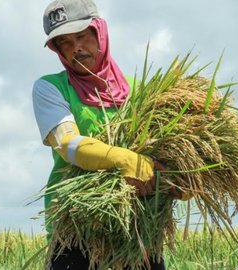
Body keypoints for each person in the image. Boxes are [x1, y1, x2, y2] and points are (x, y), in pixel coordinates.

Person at [32, 0, 167, 269]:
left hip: (138, 232)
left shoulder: (140, 92)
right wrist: (125, 160)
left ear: (99, 33)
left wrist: (176, 178)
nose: (76, 49)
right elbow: (68, 144)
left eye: (82, 36)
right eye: (65, 43)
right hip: (76, 234)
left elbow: (162, 153)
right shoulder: (51, 88)